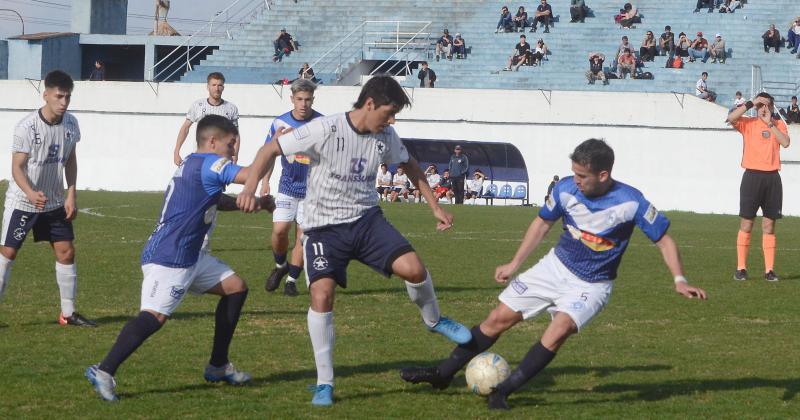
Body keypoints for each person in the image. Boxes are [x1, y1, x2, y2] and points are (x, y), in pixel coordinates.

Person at [400, 139, 708, 410]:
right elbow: (542, 224)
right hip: (554, 267)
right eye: (573, 173)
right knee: (497, 319)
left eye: (582, 176)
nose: (575, 180)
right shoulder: (564, 189)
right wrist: (514, 263)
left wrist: (679, 279)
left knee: (558, 330)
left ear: (603, 175)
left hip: (592, 285)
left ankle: (502, 392)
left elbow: (664, 239)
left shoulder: (631, 201)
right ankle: (442, 374)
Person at [236, 75, 471, 407]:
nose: (391, 122)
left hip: (365, 221)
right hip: (323, 229)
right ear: (370, 104)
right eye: (389, 113)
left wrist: (435, 207)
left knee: (415, 269)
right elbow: (270, 149)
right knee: (322, 293)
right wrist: (248, 188)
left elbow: (410, 165)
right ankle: (324, 383)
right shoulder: (325, 129)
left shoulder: (385, 136)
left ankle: (434, 320)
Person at [85, 115, 275, 401]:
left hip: (191, 254)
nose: (233, 150)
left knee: (236, 288)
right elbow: (250, 175)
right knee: (153, 316)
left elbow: (216, 199)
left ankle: (218, 366)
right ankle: (104, 369)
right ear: (212, 141)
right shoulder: (213, 163)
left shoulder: (192, 161)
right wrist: (272, 147)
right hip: (171, 256)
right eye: (230, 143)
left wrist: (257, 204)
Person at [0, 70, 95, 327]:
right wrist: (31, 193)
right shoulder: (26, 127)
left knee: (66, 252)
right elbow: (17, 168)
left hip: (53, 203)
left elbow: (70, 160)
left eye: (68, 97)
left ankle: (68, 314)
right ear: (46, 95)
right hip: (23, 202)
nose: (64, 102)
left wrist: (71, 194)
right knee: (7, 255)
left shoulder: (72, 124)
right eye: (59, 96)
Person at [260, 79, 323, 297]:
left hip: (312, 191)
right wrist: (264, 180)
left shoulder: (322, 123)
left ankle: (291, 281)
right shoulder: (280, 123)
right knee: (279, 231)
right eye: (299, 99)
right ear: (292, 99)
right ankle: (280, 266)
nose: (303, 104)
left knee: (302, 238)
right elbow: (268, 153)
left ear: (312, 100)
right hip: (287, 186)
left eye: (307, 99)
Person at [726, 93, 791, 282]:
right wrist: (750, 103)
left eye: (767, 105)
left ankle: (769, 270)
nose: (763, 109)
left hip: (772, 179)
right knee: (747, 223)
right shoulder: (748, 123)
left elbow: (786, 143)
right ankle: (741, 268)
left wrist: (770, 123)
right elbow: (730, 118)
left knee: (769, 225)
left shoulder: (778, 124)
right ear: (756, 106)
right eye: (760, 105)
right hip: (752, 177)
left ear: (772, 107)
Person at [174, 72, 239, 166]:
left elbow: (235, 135)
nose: (217, 88)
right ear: (208, 86)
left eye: (220, 85)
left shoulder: (231, 108)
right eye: (214, 85)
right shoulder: (198, 105)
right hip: (200, 158)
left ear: (223, 87)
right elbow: (185, 128)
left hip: (222, 160)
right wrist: (176, 152)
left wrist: (234, 156)